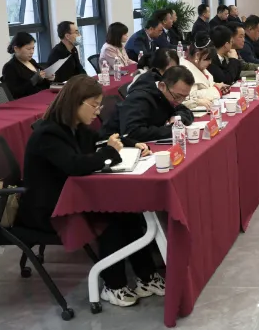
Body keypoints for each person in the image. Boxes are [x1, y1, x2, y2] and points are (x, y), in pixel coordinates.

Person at [16, 75, 161, 307]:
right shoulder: (48, 134)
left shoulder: (76, 128)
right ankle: (113, 286)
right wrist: (108, 152)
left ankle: (146, 277)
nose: (98, 111)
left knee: (127, 211)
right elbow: (74, 165)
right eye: (94, 105)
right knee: (113, 217)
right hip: (47, 209)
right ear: (76, 103)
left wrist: (131, 144)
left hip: (71, 197)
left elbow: (101, 141)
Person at [103, 65, 195, 142]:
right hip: (114, 146)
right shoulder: (139, 98)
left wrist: (178, 119)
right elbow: (132, 133)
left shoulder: (168, 94)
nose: (180, 101)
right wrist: (171, 130)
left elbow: (185, 111)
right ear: (162, 86)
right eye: (177, 96)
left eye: (185, 97)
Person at [1, 32, 53, 99]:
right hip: (28, 101)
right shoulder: (9, 67)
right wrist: (33, 80)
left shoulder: (32, 61)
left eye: (33, 48)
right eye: (28, 49)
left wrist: (49, 78)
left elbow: (43, 84)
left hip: (43, 96)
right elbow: (14, 93)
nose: (32, 52)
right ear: (16, 49)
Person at [180, 33, 224, 110]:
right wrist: (216, 89)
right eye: (207, 59)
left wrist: (216, 85)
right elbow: (190, 96)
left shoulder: (199, 67)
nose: (210, 62)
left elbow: (206, 85)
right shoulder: (184, 70)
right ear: (197, 55)